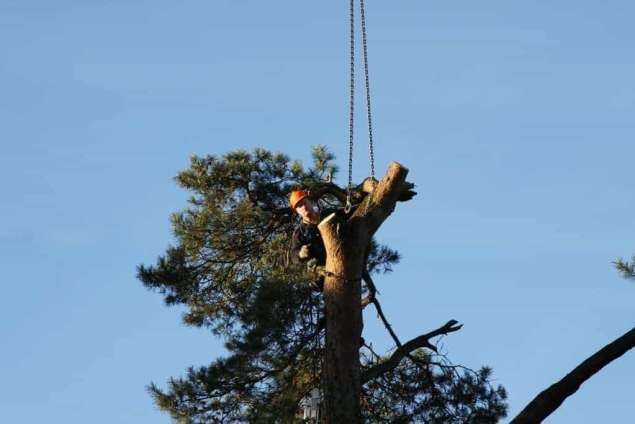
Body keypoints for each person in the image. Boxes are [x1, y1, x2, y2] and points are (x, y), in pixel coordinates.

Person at [289, 190, 328, 290]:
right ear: (296, 211)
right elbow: (294, 255)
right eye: (299, 206)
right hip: (322, 269)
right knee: (311, 265)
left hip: (343, 257)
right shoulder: (300, 233)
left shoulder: (328, 215)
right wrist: (301, 254)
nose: (303, 207)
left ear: (310, 202)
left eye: (304, 202)